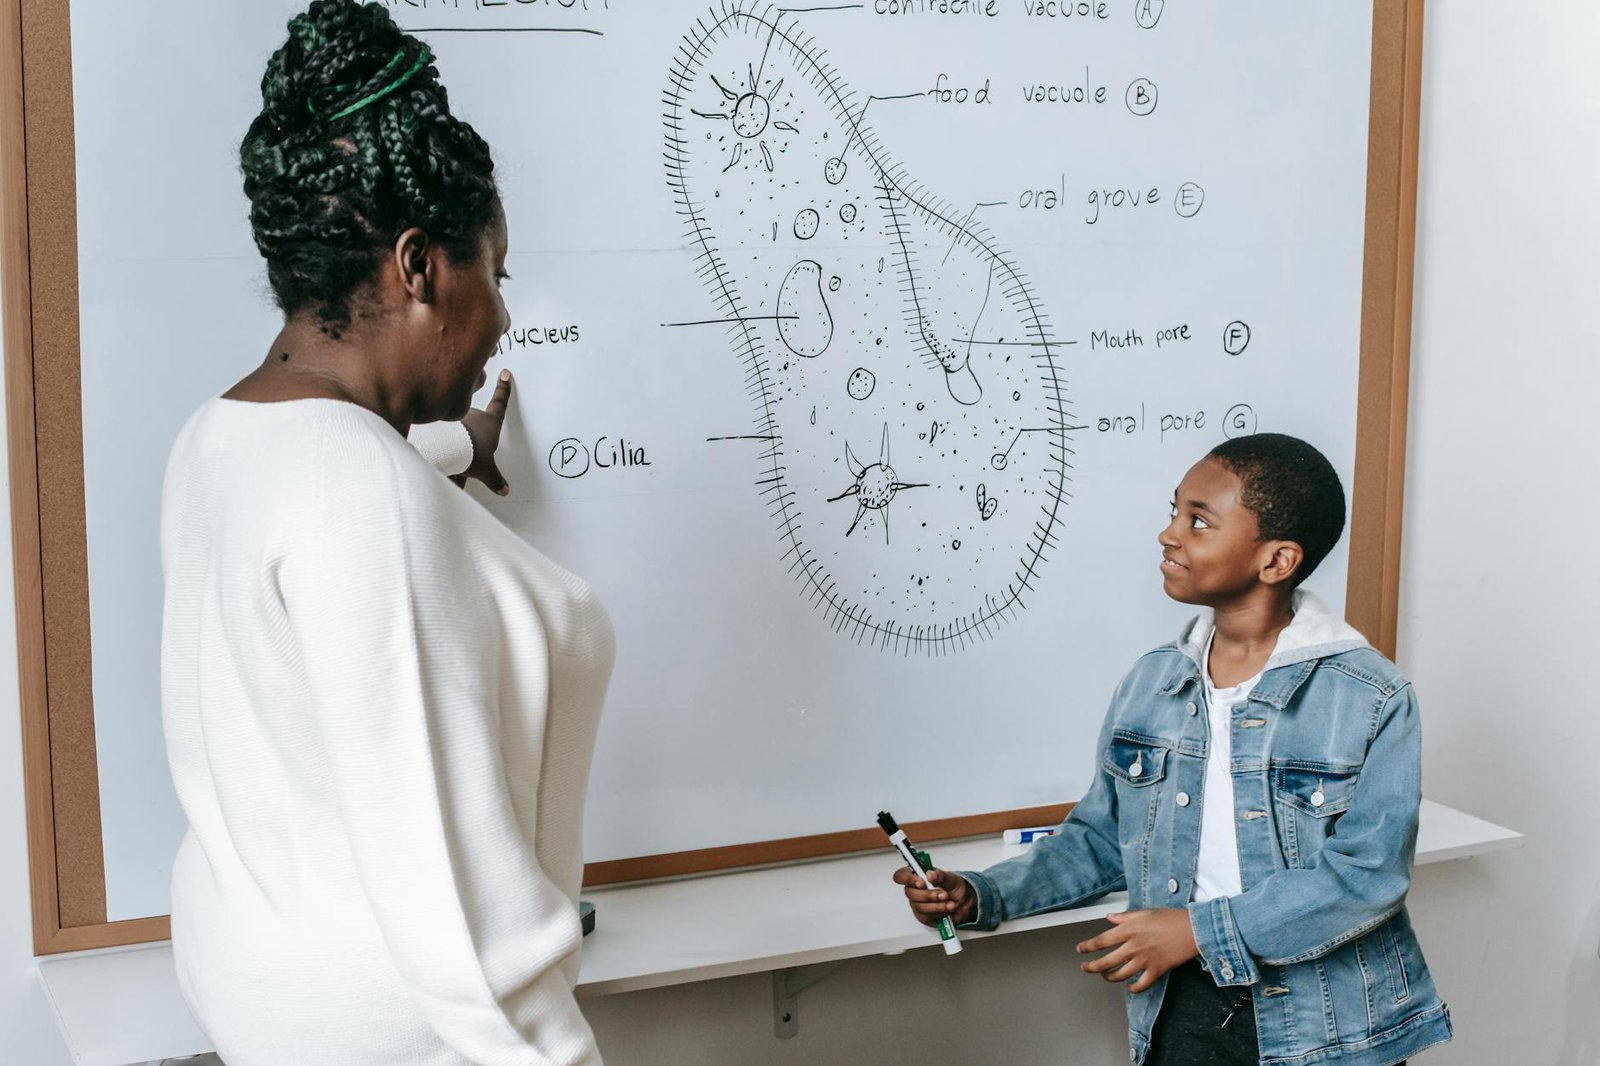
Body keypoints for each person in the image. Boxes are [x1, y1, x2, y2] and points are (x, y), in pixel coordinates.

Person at [160, 2, 612, 1063]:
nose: (502, 315)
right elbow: (466, 929)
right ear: (417, 267)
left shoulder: (222, 438)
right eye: (492, 273)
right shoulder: (364, 500)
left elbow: (333, 510)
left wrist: (464, 443)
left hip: (263, 1007)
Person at [896, 434, 1452, 1066]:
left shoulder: (1371, 696)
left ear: (1276, 561)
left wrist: (1196, 930)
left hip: (1331, 1023)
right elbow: (1102, 839)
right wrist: (981, 894)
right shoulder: (1152, 682)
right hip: (1181, 1007)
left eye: (1198, 521)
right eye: (1173, 512)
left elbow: (1366, 875)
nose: (1168, 534)